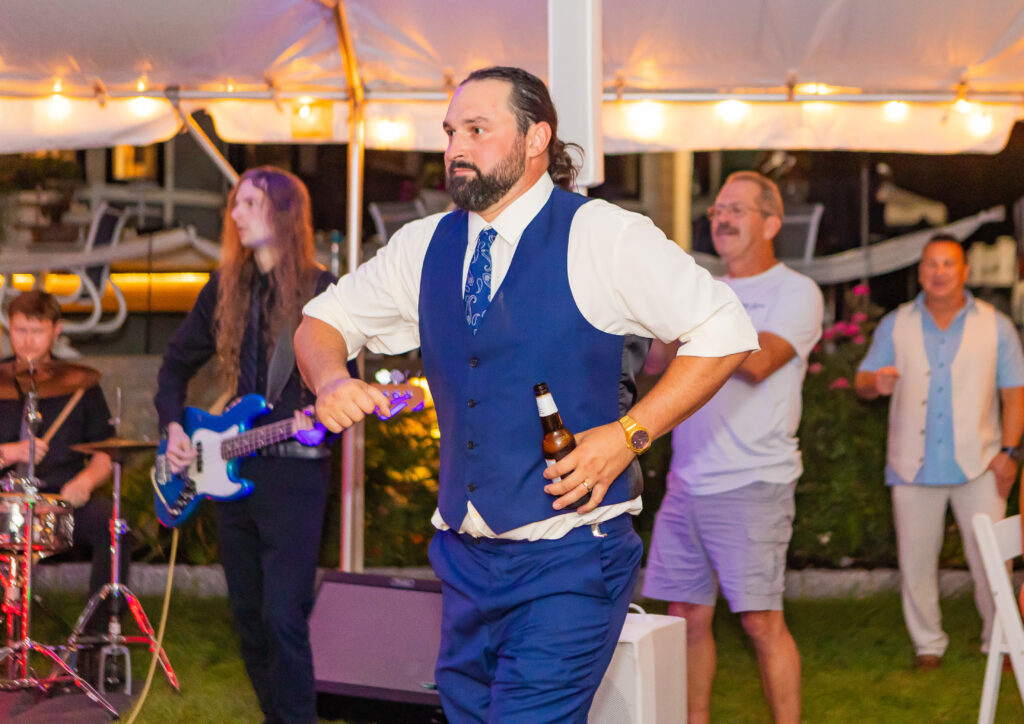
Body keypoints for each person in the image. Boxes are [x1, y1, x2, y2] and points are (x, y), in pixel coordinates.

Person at [294, 66, 758, 724]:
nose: (456, 146)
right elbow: (321, 323)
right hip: (463, 561)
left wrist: (628, 435)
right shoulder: (424, 247)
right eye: (451, 131)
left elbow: (726, 329)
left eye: (478, 130)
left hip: (572, 556)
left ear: (536, 137)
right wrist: (332, 377)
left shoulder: (603, 235)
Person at [154, 166, 336, 724]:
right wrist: (174, 428)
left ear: (281, 212)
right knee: (249, 618)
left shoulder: (322, 289)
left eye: (249, 203)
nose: (234, 214)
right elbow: (174, 366)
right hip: (230, 477)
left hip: (295, 475)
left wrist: (325, 416)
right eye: (235, 204)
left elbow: (339, 382)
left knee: (284, 617)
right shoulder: (224, 287)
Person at [642, 171, 822, 724]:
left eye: (737, 209)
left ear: (771, 222)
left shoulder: (796, 292)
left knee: (760, 621)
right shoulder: (708, 292)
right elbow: (653, 364)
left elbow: (760, 361)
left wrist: (693, 310)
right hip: (687, 480)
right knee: (685, 615)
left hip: (754, 481)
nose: (721, 218)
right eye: (718, 209)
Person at [855, 234, 1024, 670]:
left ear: (965, 271)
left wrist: (1009, 452)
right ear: (921, 272)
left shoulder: (996, 323)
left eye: (948, 264)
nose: (939, 272)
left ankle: (1001, 641)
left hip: (981, 464)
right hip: (913, 465)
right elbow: (863, 380)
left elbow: (1015, 394)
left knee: (992, 563)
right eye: (931, 264)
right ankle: (928, 644)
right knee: (915, 564)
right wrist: (877, 382)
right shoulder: (897, 323)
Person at [0, 291, 121, 613]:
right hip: (5, 499)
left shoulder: (81, 385)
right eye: (19, 330)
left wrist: (85, 483)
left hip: (62, 500)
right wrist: (11, 453)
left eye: (36, 331)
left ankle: (94, 642)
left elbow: (105, 451)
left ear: (56, 330)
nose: (26, 341)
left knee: (113, 526)